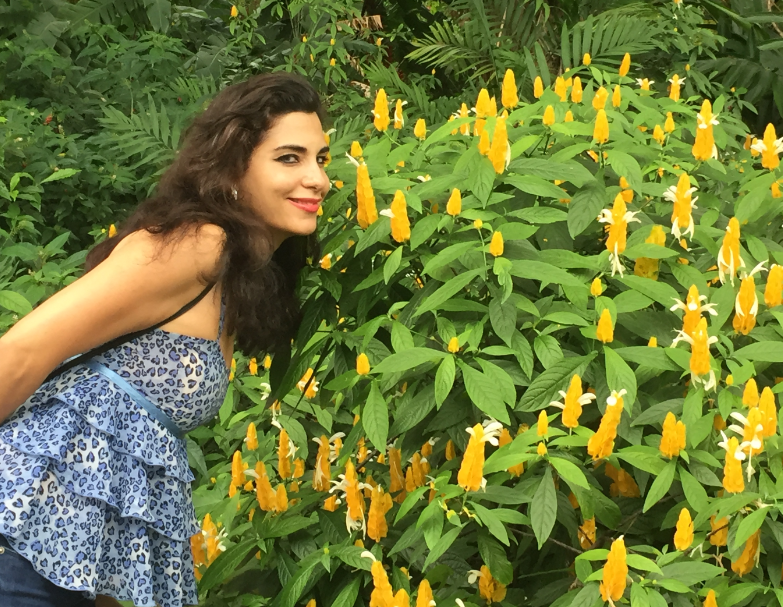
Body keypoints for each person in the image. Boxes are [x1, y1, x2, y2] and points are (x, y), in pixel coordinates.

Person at [0, 72, 331, 607]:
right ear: (233, 167)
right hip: (20, 536)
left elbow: (121, 460)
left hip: (64, 562)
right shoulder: (198, 244)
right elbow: (21, 353)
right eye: (289, 158)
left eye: (321, 158)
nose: (316, 177)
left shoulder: (236, 276)